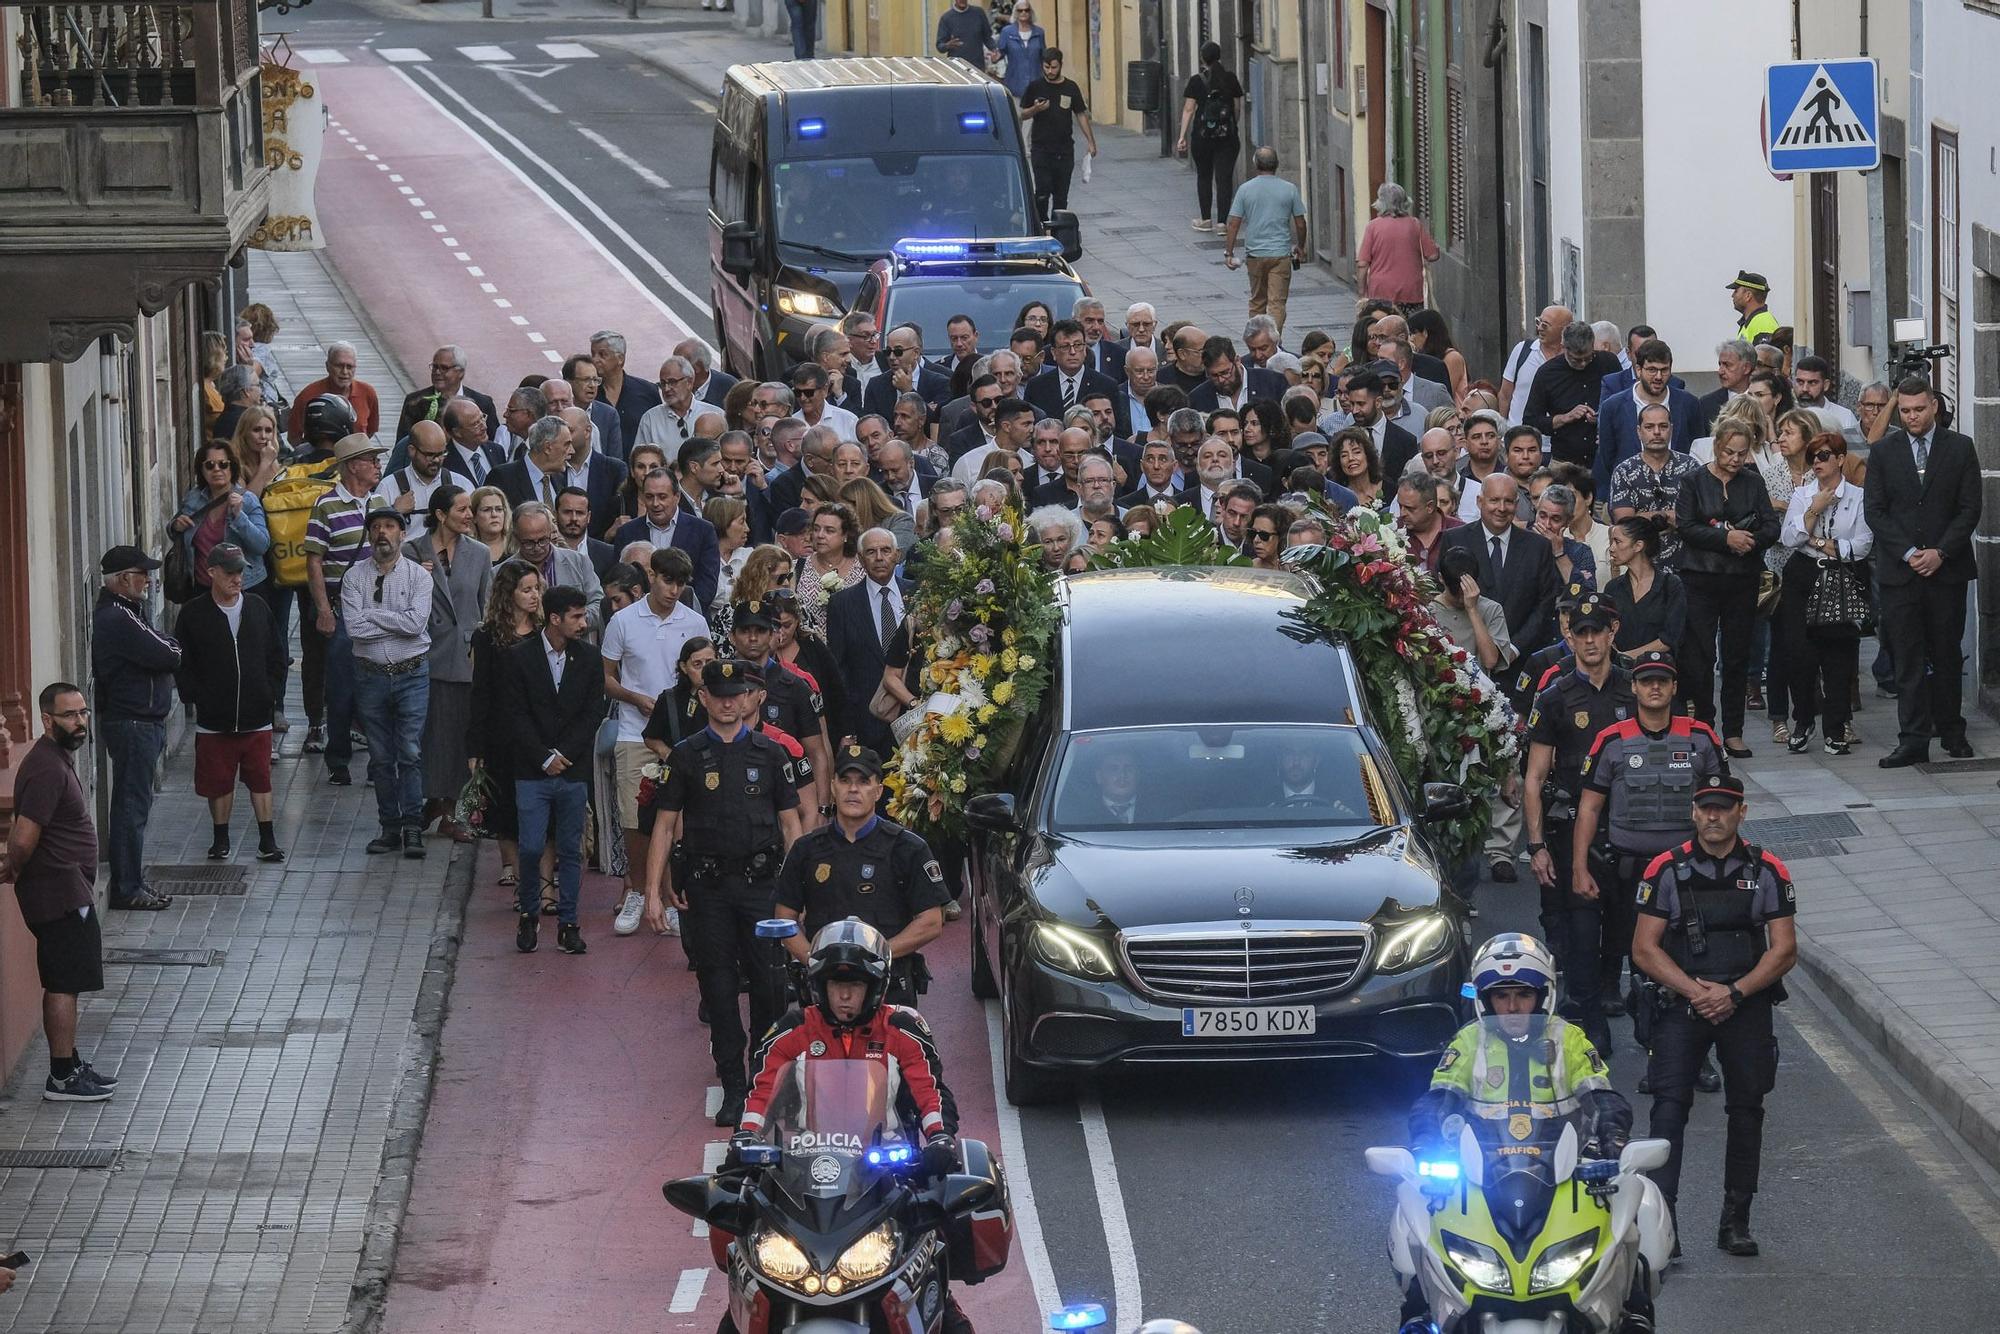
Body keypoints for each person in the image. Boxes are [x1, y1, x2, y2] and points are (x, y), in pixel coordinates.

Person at [1399, 933, 1633, 1334]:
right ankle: (1420, 1315)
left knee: (1633, 1216)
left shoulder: (1568, 1039)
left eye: (1523, 995)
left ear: (1543, 996)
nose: (1511, 1007)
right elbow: (1436, 1101)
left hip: (1565, 1174)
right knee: (1411, 1226)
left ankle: (1632, 1313)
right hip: (1480, 1176)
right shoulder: (1469, 1041)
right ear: (1485, 1000)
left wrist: (1613, 1143)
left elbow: (1604, 1098)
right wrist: (1427, 1146)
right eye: (1500, 996)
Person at [1630, 775, 1797, 1258]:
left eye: (1723, 808)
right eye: (1705, 807)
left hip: (1744, 1003)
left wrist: (1735, 993)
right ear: (1693, 812)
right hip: (1684, 1004)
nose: (1713, 816)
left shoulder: (1768, 870)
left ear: (1741, 812)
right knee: (1667, 1110)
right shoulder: (1665, 869)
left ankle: (1735, 1222)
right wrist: (1696, 992)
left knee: (1747, 1110)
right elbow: (1644, 949)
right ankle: (1665, 1226)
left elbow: (1784, 951)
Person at [643, 658, 807, 1126]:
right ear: (704, 698)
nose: (729, 701)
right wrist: (653, 892)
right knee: (717, 988)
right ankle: (733, 1084)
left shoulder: (771, 754)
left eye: (736, 693)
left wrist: (797, 895)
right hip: (709, 889)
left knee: (770, 987)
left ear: (750, 698)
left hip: (762, 887)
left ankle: (764, 1077)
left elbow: (791, 825)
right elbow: (665, 825)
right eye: (719, 694)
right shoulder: (687, 755)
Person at [1574, 649, 1728, 1024]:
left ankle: (1690, 1041)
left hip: (1688, 872)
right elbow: (1590, 807)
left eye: (1662, 680)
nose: (1654, 687)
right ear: (1635, 688)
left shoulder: (1701, 738)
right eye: (1646, 681)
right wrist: (1579, 866)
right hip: (1628, 871)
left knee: (1691, 956)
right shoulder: (1611, 740)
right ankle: (1632, 1017)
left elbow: (1723, 808)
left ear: (1674, 687)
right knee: (1626, 947)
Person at [1521, 594, 1634, 1041]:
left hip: (1628, 824)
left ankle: (1610, 984)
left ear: (1612, 633)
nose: (1589, 640)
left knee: (1624, 917)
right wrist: (1536, 846)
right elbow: (1534, 777)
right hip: (1570, 827)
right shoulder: (1554, 696)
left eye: (1597, 631)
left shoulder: (1634, 688)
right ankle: (1590, 1012)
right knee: (1581, 925)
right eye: (1581, 632)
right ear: (1571, 636)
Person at [0, 684, 117, 1100]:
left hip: (67, 889)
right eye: (69, 715)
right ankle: (63, 1077)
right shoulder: (47, 767)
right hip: (60, 893)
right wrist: (13, 866)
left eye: (83, 712)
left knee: (66, 979)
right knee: (64, 982)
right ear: (48, 720)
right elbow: (25, 835)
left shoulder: (54, 759)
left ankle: (69, 1062)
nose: (80, 722)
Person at [1864, 376, 1982, 767]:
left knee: (1947, 653)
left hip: (1946, 571)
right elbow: (1876, 512)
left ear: (1933, 406)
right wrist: (1911, 552)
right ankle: (1913, 739)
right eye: (1906, 411)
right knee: (1907, 657)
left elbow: (1969, 508)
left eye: (1919, 409)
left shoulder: (1960, 448)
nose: (1912, 417)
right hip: (1901, 573)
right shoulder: (1884, 452)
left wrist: (1941, 552)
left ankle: (1951, 730)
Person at [774, 744, 949, 1004]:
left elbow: (932, 921)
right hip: (823, 989)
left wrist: (877, 955)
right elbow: (784, 919)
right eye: (845, 780)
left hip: (889, 987)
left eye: (863, 781)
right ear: (832, 786)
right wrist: (815, 959)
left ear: (879, 790)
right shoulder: (807, 849)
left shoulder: (907, 848)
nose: (853, 789)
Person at [603, 547, 707, 936]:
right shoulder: (623, 621)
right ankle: (635, 893)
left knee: (679, 820)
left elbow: (703, 674)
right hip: (634, 733)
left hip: (684, 737)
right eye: (667, 580)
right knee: (634, 819)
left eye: (680, 583)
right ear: (651, 577)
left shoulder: (696, 622)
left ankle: (670, 895)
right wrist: (636, 699)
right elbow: (609, 678)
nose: (674, 590)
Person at [501, 584, 605, 956]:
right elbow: (514, 713)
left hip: (573, 772)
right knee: (529, 847)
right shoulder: (518, 657)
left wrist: (566, 754)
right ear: (555, 618)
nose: (584, 622)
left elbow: (594, 712)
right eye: (576, 616)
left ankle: (569, 924)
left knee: (571, 851)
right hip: (532, 771)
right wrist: (544, 756)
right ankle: (529, 912)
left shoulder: (590, 659)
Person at [174, 544, 286, 864]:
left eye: (240, 571)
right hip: (215, 718)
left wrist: (270, 692)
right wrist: (195, 696)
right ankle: (220, 838)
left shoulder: (257, 607)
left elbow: (276, 655)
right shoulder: (194, 614)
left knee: (260, 778)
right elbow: (183, 661)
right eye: (230, 572)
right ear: (212, 573)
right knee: (218, 781)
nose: (238, 578)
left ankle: (267, 839)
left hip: (256, 715)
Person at [1676, 424, 1777, 758]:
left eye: (1741, 453)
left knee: (1737, 656)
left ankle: (1734, 730)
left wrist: (1748, 541)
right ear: (1716, 447)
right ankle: (1704, 724)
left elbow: (1771, 526)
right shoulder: (1693, 481)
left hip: (1740, 578)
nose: (1735, 460)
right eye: (1728, 452)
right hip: (1700, 578)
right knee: (1700, 655)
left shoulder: (1753, 481)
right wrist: (1724, 538)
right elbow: (1686, 527)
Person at [91, 544, 181, 911]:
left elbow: (163, 646)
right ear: (124, 579)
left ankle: (134, 880)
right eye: (142, 574)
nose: (148, 579)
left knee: (133, 805)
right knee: (131, 807)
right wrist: (167, 651)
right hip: (133, 722)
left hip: (140, 721)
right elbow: (170, 652)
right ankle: (128, 886)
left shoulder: (130, 612)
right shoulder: (118, 616)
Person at [343, 508, 434, 859]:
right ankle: (389, 826)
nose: (383, 533)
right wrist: (393, 620)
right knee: (381, 757)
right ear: (369, 535)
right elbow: (355, 629)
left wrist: (374, 615)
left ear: (402, 534)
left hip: (411, 674)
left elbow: (415, 625)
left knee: (409, 752)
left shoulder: (418, 577)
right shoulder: (354, 578)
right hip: (371, 676)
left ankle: (413, 825)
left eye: (390, 527)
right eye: (377, 527)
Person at [1776, 433, 1872, 756]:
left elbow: (1861, 545)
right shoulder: (1804, 496)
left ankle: (1835, 729)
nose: (1817, 462)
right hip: (1803, 575)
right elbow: (1789, 538)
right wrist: (1813, 512)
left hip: (1841, 576)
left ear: (1841, 459)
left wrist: (1817, 542)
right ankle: (1803, 720)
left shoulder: (1857, 497)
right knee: (1798, 654)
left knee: (1838, 657)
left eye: (1824, 456)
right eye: (1812, 457)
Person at [406, 485, 492, 840]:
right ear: (441, 515)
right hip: (427, 655)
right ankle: (434, 800)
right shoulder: (411, 552)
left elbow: (484, 605)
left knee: (461, 737)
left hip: (467, 658)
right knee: (431, 737)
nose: (470, 515)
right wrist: (417, 579)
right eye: (461, 510)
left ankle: (453, 809)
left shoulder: (480, 553)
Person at [303, 433, 389, 784]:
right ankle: (338, 760)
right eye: (371, 460)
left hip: (377, 608)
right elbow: (314, 562)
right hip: (341, 608)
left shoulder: (380, 502)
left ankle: (377, 762)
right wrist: (323, 609)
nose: (377, 466)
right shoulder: (326, 507)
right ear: (354, 465)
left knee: (378, 688)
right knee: (340, 688)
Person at [1441, 474, 1560, 654]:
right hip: (1466, 657)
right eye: (1494, 500)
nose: (1502, 508)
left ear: (1517, 504)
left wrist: (1514, 648)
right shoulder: (1454, 539)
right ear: (1480, 502)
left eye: (1508, 501)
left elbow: (1544, 605)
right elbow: (1445, 597)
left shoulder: (1538, 546)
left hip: (1521, 658)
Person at [825, 528, 907, 755]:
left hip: (915, 717)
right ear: (860, 559)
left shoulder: (919, 594)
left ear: (897, 555)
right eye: (871, 552)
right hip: (866, 723)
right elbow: (839, 671)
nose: (879, 558)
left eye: (885, 550)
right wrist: (847, 729)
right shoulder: (842, 604)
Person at [1221, 147, 1308, 336]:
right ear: (1277, 164)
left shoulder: (1245, 189)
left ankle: (1256, 339)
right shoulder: (1289, 189)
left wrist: (1229, 252)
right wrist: (1300, 246)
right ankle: (1274, 341)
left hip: (1255, 255)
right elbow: (1300, 223)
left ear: (1255, 164)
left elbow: (1233, 223)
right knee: (1277, 303)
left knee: (1257, 302)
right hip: (1280, 254)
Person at [173, 440, 272, 595]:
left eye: (223, 464)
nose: (217, 469)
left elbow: (262, 545)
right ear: (202, 470)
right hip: (203, 589)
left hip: (244, 588)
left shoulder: (248, 500)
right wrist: (175, 527)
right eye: (210, 465)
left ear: (232, 468)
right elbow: (176, 529)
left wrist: (239, 517)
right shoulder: (193, 499)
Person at [1524, 321, 1621, 470]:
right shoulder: (1547, 373)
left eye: (1588, 358)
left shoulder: (1608, 363)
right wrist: (1564, 418)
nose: (1583, 364)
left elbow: (1624, 402)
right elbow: (1531, 420)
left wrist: (1602, 417)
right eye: (1576, 359)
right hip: (1564, 462)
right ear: (1563, 348)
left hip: (1604, 459)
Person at [1019, 49, 1096, 220]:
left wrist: (1091, 142)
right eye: (1046, 67)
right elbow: (1023, 114)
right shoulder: (1035, 86)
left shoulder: (1070, 87)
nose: (1050, 71)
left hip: (1064, 150)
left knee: (1061, 197)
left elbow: (1081, 114)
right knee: (1042, 193)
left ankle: (1058, 230)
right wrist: (1035, 109)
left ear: (1060, 65)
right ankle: (1042, 226)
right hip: (1041, 149)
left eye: (1054, 67)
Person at [1176, 42, 1243, 233]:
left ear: (1202, 58)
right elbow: (1237, 108)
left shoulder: (1197, 80)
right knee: (1224, 178)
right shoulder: (1230, 79)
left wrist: (1182, 136)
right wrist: (1231, 125)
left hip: (1202, 136)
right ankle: (1222, 223)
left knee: (1204, 176)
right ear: (1219, 56)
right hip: (1227, 137)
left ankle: (1206, 219)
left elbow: (1189, 109)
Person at [1601, 517, 1686, 658]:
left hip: (1657, 670)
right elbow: (1607, 630)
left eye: (1617, 541)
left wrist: (1628, 657)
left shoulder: (1670, 585)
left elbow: (1671, 637)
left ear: (1638, 546)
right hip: (1620, 673)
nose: (1611, 548)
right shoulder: (1613, 588)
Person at [1354, 183, 1439, 310]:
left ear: (1380, 203)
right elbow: (1433, 255)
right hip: (1410, 292)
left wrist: (1362, 293)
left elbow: (1362, 264)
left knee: (1383, 327)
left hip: (1380, 292)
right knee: (1410, 328)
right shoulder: (1415, 224)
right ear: (1405, 202)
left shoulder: (1372, 227)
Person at [995, 1, 1044, 98]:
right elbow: (1000, 53)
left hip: (1036, 84)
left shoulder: (1039, 32)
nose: (1023, 13)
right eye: (1020, 10)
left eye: (1026, 10)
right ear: (1015, 13)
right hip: (1015, 84)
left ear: (1031, 12)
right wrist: (994, 58)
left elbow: (1043, 56)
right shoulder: (1006, 32)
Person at [934, 0, 996, 70]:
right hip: (957, 67)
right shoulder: (946, 18)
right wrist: (947, 45)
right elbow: (940, 46)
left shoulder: (978, 13)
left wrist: (994, 50)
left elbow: (987, 37)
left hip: (977, 66)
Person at [1725, 271, 1780, 344]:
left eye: (1736, 291)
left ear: (1748, 296)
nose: (1732, 295)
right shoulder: (1752, 321)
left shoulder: (1763, 323)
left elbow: (1764, 355)